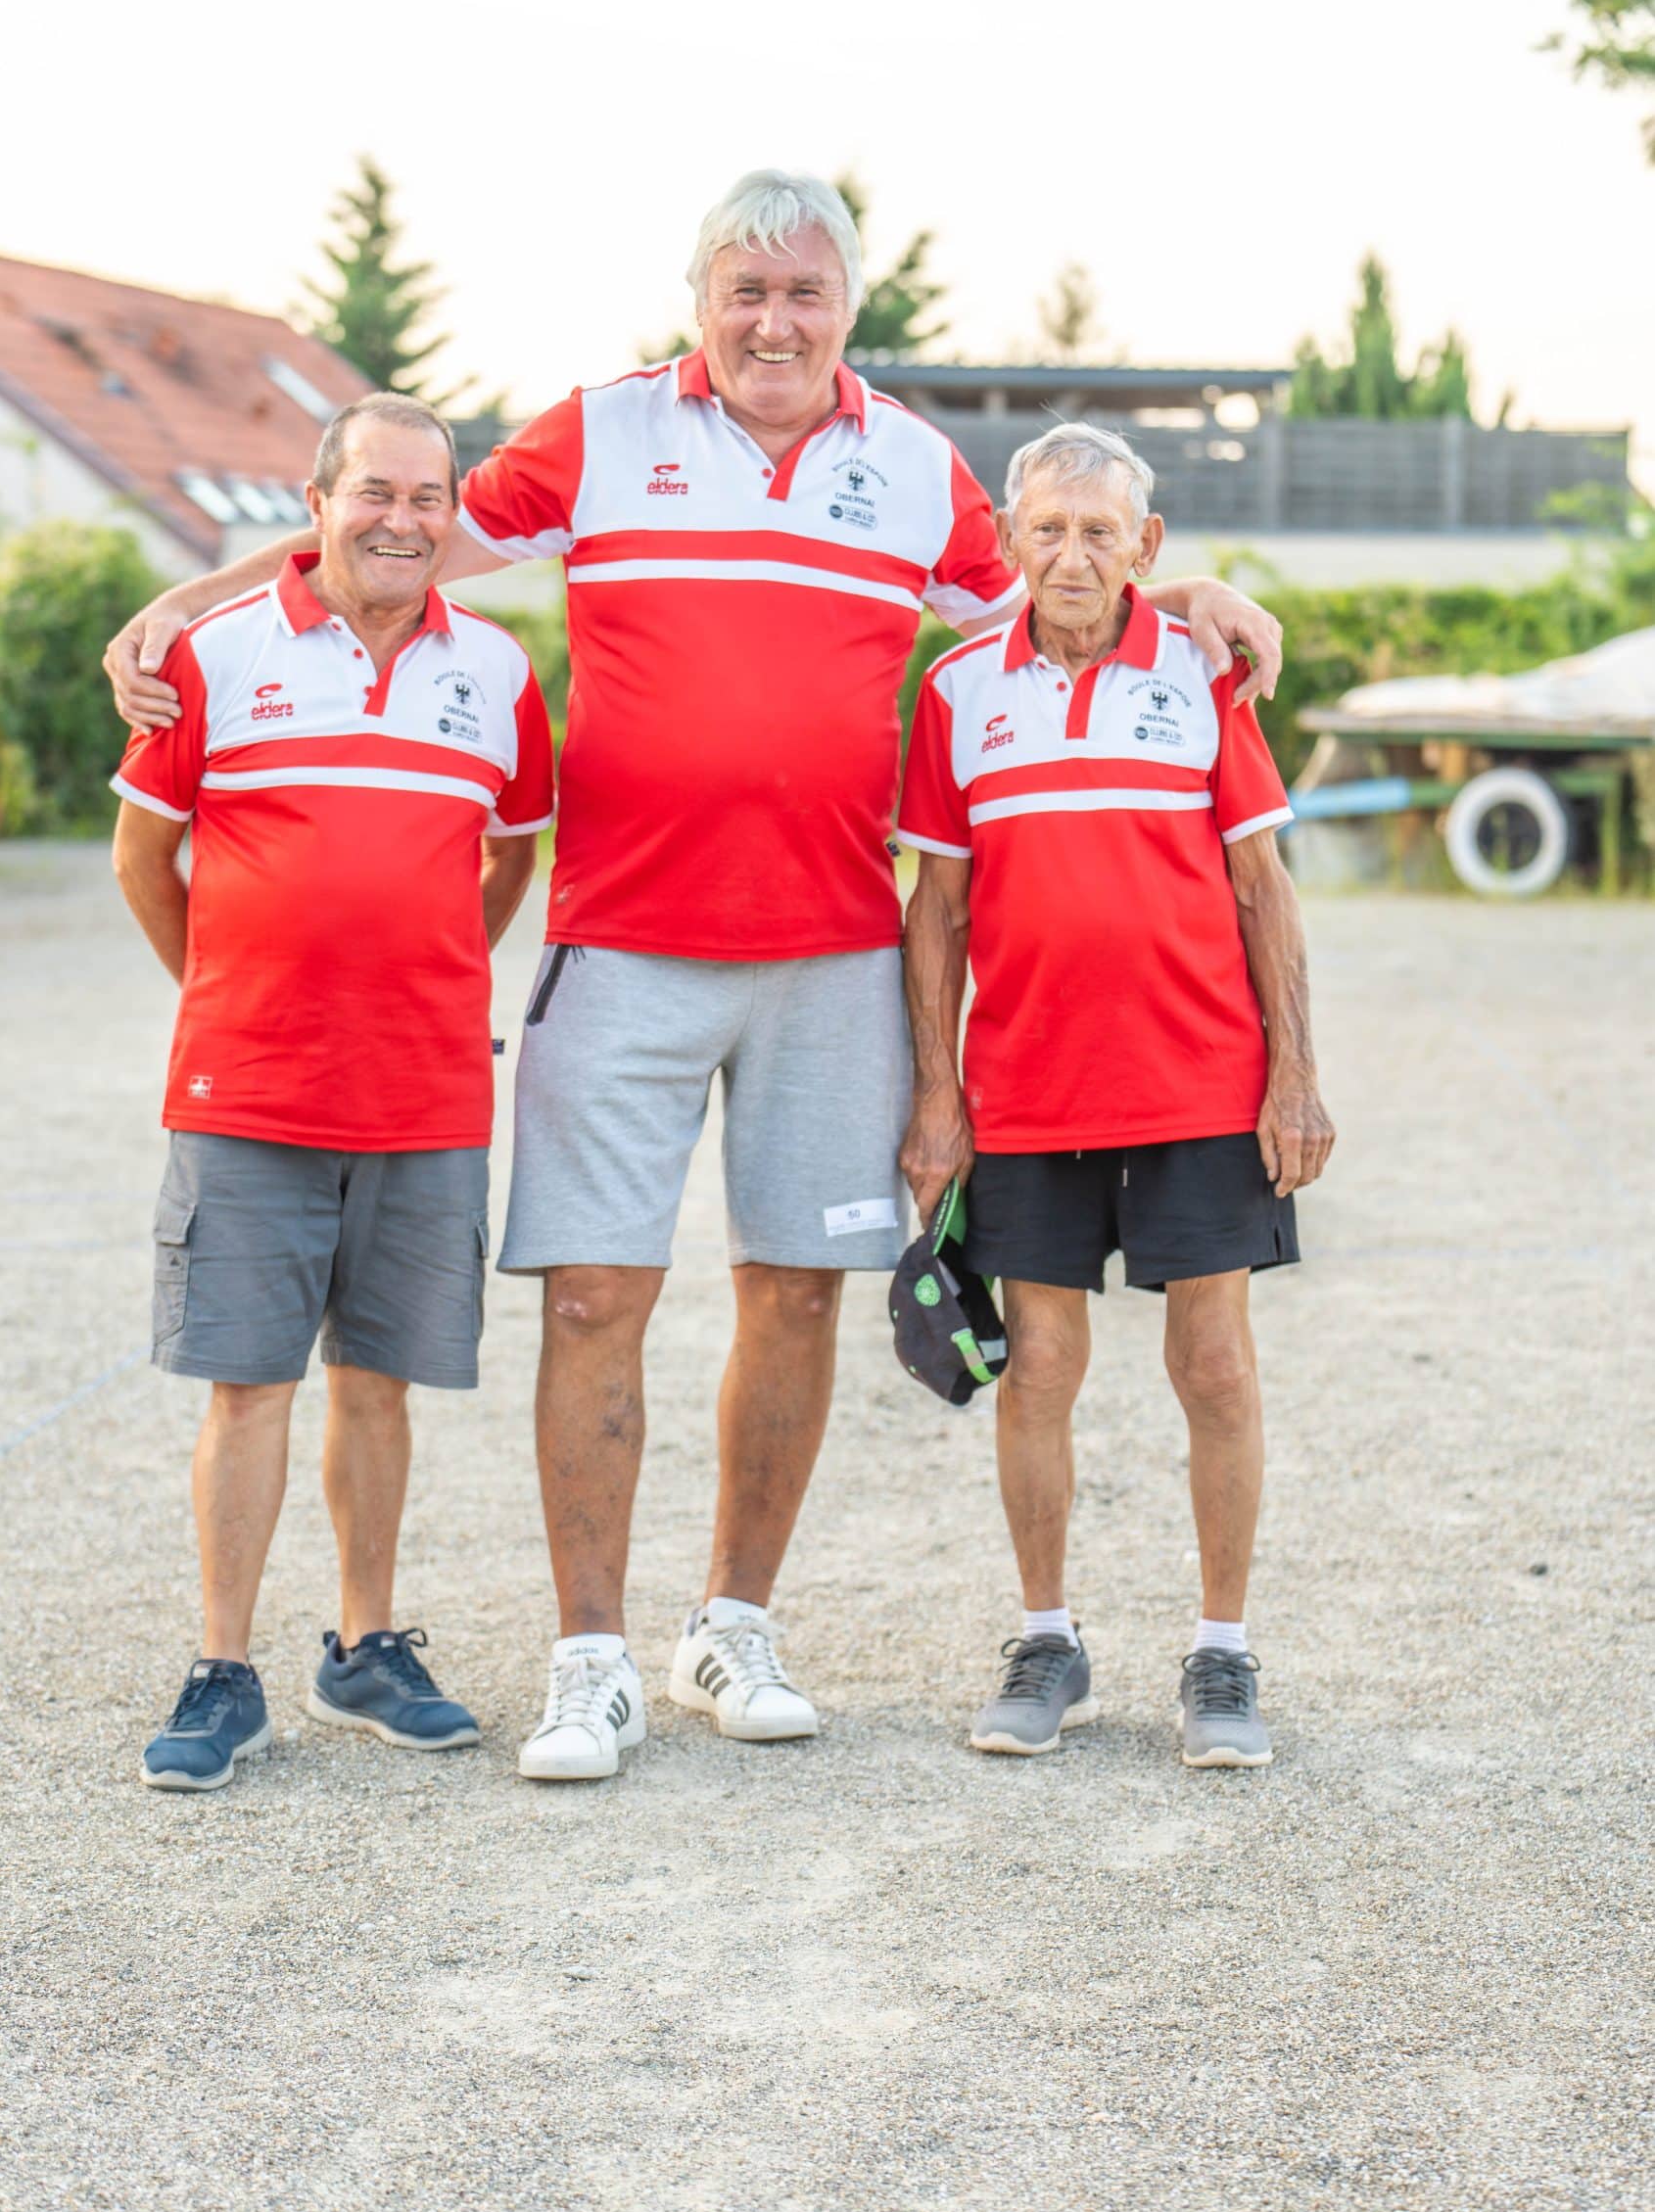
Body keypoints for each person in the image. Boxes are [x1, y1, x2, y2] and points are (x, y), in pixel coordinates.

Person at [105, 170, 1286, 1784]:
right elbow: (389, 535)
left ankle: (733, 1622)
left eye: (805, 294)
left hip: (831, 955)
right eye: (746, 291)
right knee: (595, 1291)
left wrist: (1199, 589)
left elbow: (1066, 580)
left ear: (846, 310)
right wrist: (188, 600)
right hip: (629, 941)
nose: (774, 322)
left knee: (790, 1292)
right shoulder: (602, 437)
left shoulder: (918, 469)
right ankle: (590, 1660)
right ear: (699, 301)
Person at [112, 396, 553, 1789]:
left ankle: (365, 1647)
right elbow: (144, 859)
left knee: (380, 1384)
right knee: (247, 1387)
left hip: (424, 1094)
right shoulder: (215, 655)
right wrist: (234, 993)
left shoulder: (497, 670)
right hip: (248, 1086)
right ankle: (223, 1669)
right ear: (318, 500)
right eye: (377, 493)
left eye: (430, 499)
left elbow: (511, 856)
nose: (405, 521)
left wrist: (423, 973)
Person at [896, 423, 1334, 1769]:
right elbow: (937, 913)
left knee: (1213, 1365)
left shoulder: (1208, 682)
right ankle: (1047, 1639)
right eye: (1048, 530)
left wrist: (1298, 1076)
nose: (1072, 554)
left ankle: (1221, 1655)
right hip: (1027, 1092)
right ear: (1011, 544)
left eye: (1101, 532)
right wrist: (936, 1096)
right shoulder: (961, 689)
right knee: (1041, 1368)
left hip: (1205, 1083)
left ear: (1147, 550)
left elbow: (1264, 888)